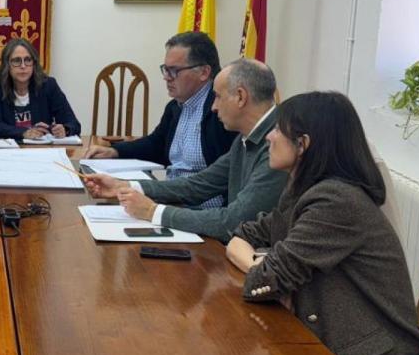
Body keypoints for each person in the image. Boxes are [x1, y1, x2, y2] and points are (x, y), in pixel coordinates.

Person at [225, 91, 419, 355]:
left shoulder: (335, 201)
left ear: (303, 144)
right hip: (333, 342)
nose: (269, 136)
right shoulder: (306, 190)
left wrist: (265, 274)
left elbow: (261, 282)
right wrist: (263, 268)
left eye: (278, 129)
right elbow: (244, 234)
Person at [84, 58, 288, 242]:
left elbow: (233, 221)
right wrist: (123, 186)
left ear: (241, 97)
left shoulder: (280, 143)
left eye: (217, 97)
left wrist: (153, 212)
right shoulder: (249, 137)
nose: (214, 107)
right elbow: (198, 185)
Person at [85, 32, 236, 208]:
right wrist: (114, 151)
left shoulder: (223, 111)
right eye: (165, 69)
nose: (166, 77)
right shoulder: (175, 107)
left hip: (203, 209)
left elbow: (222, 180)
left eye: (174, 71)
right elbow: (156, 144)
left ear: (204, 72)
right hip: (170, 199)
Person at [0, 38, 81, 140]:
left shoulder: (48, 86)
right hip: (12, 149)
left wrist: (65, 129)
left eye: (28, 60)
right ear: (7, 65)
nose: (23, 66)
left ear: (34, 64)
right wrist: (24, 132)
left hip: (41, 150)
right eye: (16, 61)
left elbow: (73, 124)